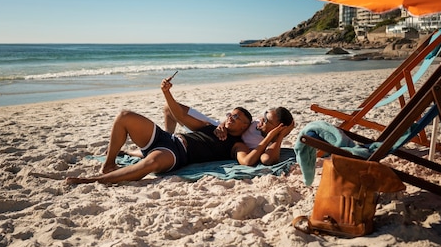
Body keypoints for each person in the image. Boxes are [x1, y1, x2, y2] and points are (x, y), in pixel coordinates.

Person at [65, 78, 290, 185]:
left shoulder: (237, 145)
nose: (229, 118)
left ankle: (94, 179)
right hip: (168, 138)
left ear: (243, 126)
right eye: (229, 114)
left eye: (235, 117)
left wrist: (270, 137)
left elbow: (249, 162)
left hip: (176, 154)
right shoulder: (213, 127)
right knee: (125, 116)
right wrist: (166, 93)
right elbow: (179, 116)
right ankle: (109, 163)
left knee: (151, 165)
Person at [164, 103, 295, 165]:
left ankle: (166, 146)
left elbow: (267, 160)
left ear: (277, 129)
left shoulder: (271, 143)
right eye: (264, 114)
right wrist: (222, 125)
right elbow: (236, 121)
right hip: (218, 129)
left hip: (226, 143)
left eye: (266, 120)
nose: (261, 119)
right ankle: (166, 139)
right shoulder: (257, 123)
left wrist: (278, 137)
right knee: (169, 109)